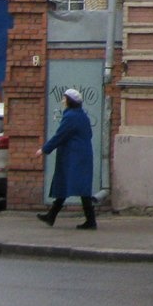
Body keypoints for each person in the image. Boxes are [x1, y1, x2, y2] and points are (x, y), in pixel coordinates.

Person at [36, 88, 96, 230]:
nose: (63, 101)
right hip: (82, 155)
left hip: (73, 157)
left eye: (65, 98)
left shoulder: (71, 117)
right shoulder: (82, 115)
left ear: (70, 101)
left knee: (73, 185)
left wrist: (44, 149)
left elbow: (60, 135)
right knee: (76, 186)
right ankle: (52, 216)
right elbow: (89, 134)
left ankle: (90, 221)